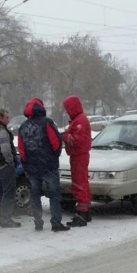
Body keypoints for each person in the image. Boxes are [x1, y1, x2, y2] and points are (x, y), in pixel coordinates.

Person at [18, 98, 69, 232]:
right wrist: (53, 157)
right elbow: (56, 143)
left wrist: (26, 165)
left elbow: (21, 150)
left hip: (32, 168)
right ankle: (56, 223)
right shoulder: (47, 123)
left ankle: (38, 223)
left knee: (35, 196)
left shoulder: (22, 127)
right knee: (54, 195)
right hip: (48, 166)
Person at [62, 95, 92, 227]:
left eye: (68, 108)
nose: (67, 111)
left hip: (79, 155)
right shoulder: (78, 119)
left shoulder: (80, 120)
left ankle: (81, 215)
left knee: (79, 184)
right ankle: (85, 212)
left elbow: (76, 140)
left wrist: (64, 136)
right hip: (78, 155)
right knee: (82, 183)